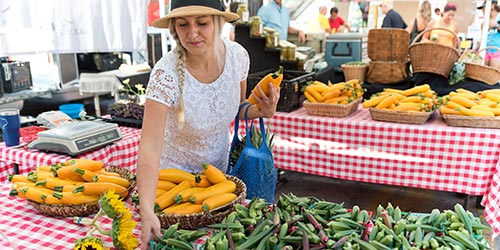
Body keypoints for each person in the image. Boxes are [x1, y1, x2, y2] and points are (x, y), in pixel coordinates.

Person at [137, 0, 280, 248]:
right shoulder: (165, 75)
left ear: (218, 23)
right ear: (174, 28)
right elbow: (149, 148)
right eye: (183, 25)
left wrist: (262, 110)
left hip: (218, 182)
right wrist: (147, 209)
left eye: (202, 23)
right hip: (173, 191)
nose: (192, 33)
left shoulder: (237, 57)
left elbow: (238, 108)